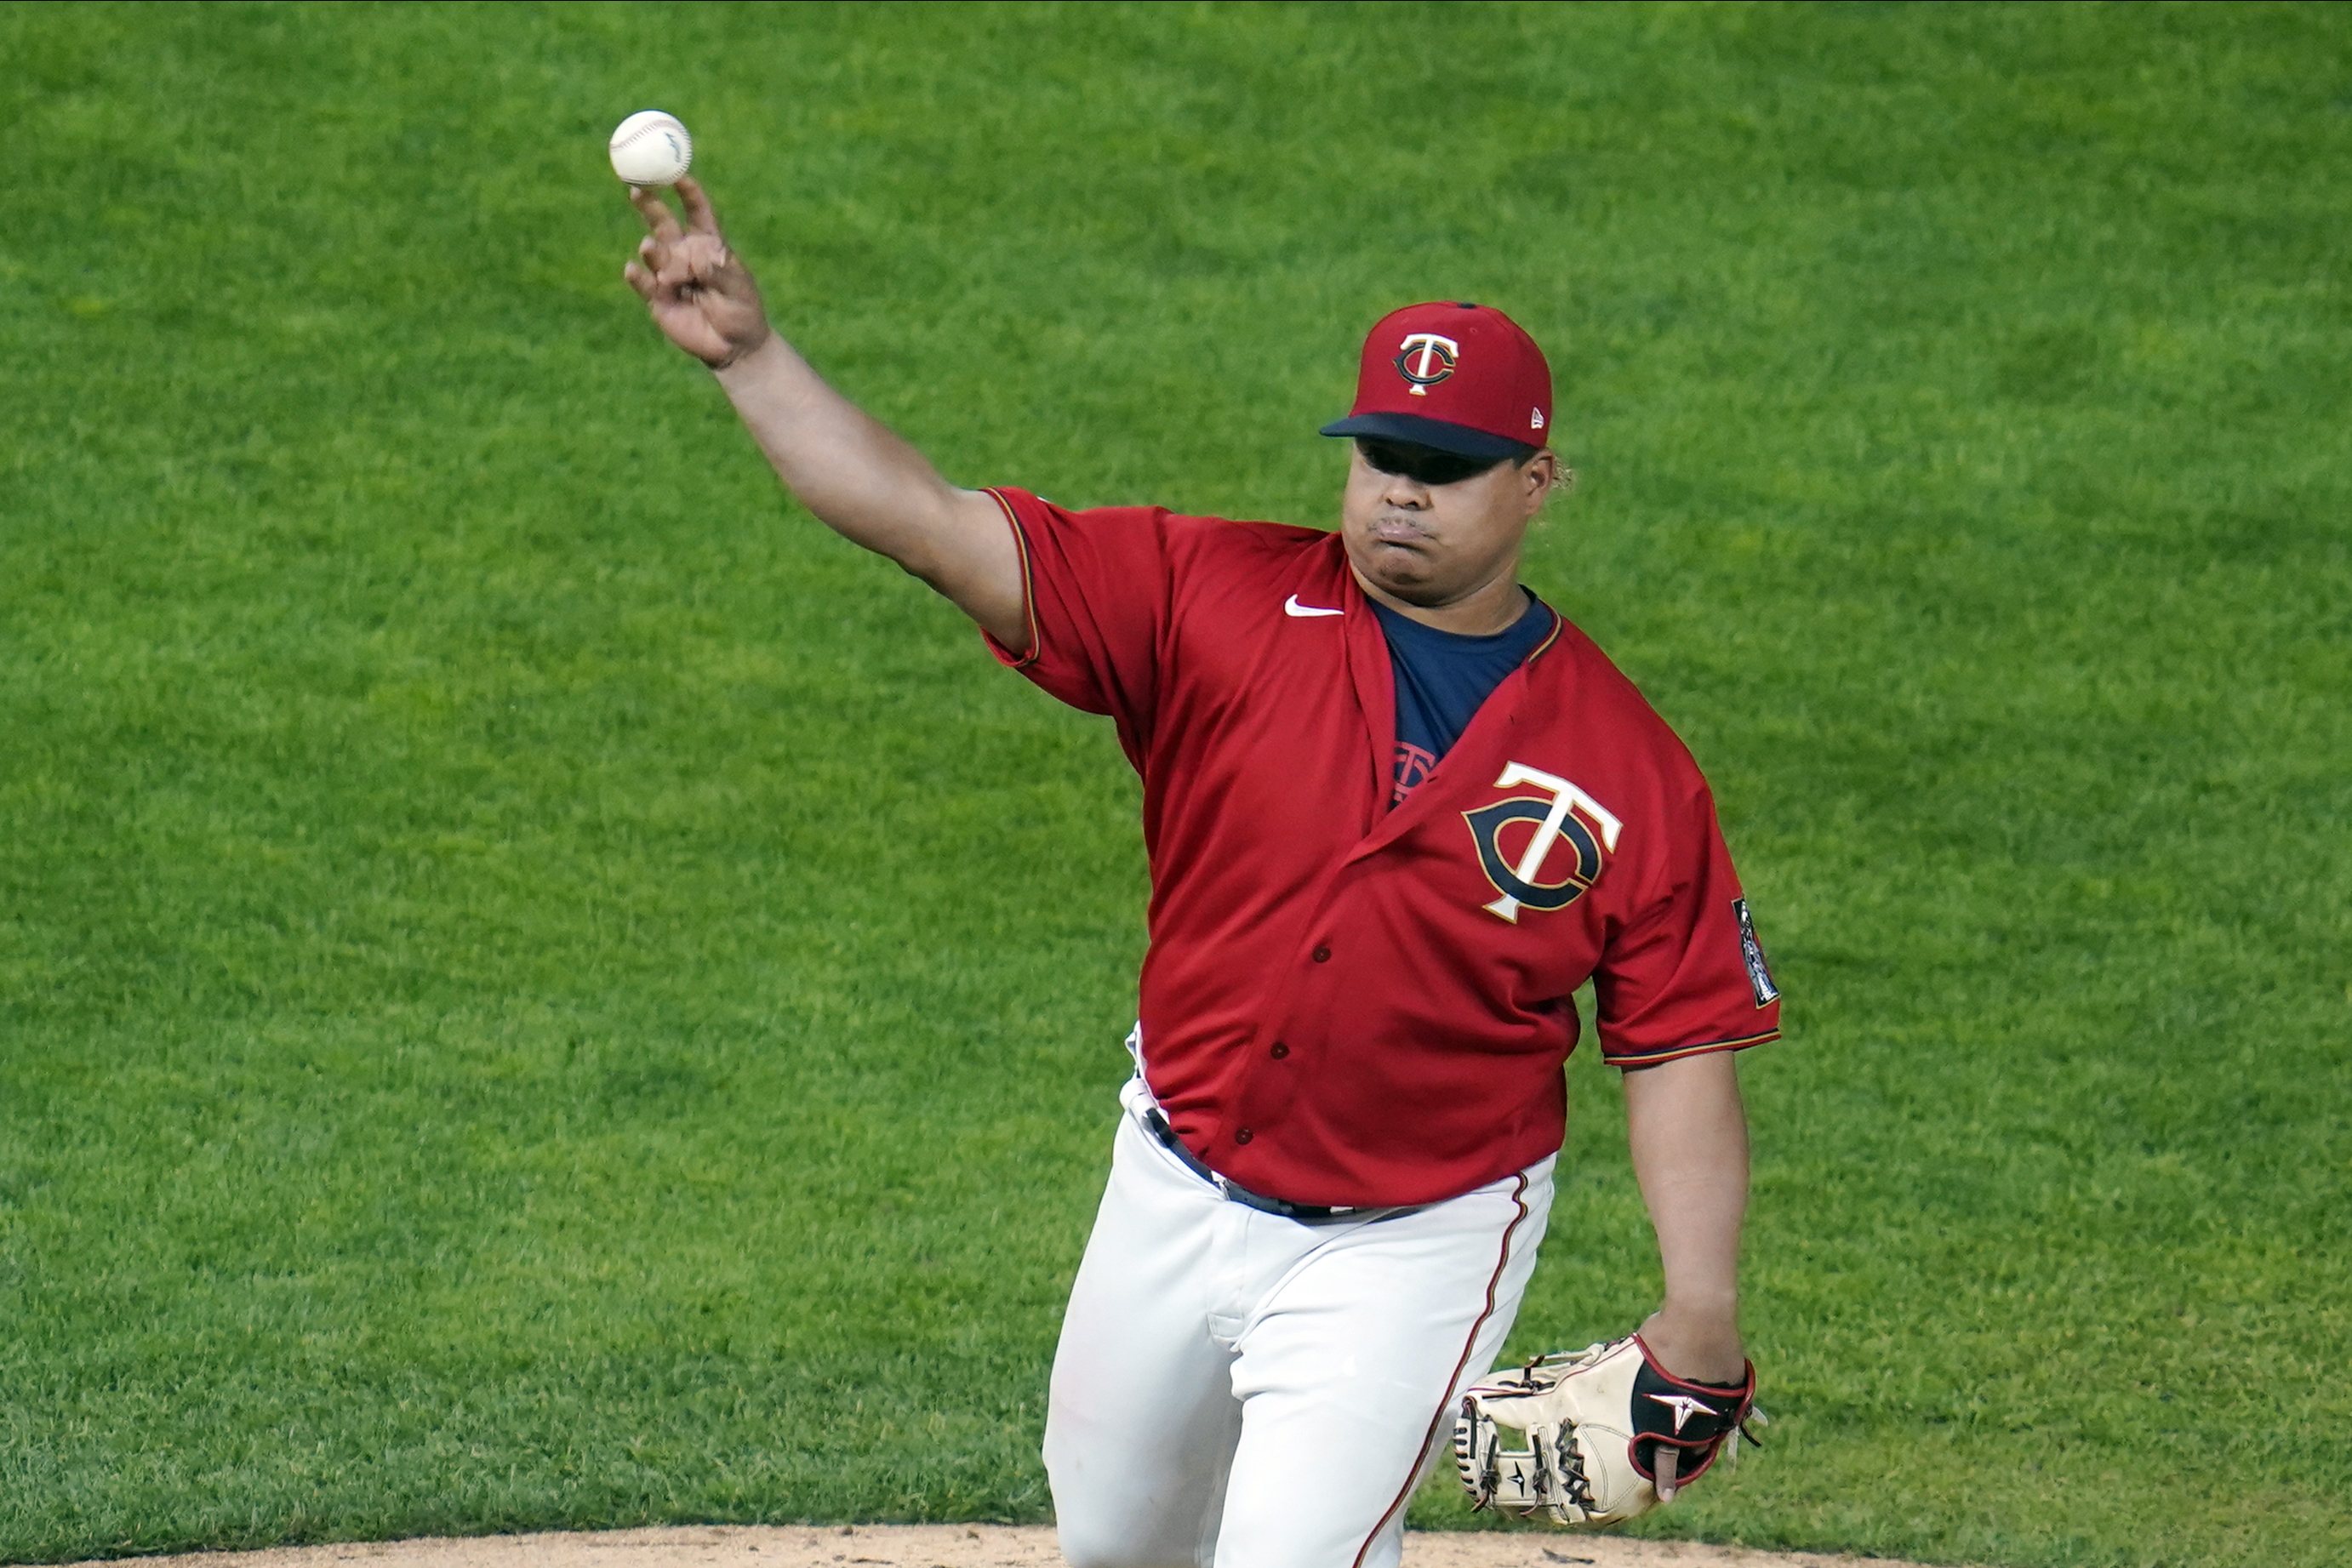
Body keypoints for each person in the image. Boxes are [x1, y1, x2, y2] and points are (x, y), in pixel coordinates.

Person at [624, 178, 1779, 1568]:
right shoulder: (1207, 596)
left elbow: (1680, 1048)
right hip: (1171, 1177)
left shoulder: (1630, 769)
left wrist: (1699, 1320)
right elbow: (925, 521)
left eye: (1448, 464)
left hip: (1412, 1242)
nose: (1403, 488)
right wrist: (753, 358)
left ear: (1537, 483)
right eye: (1380, 452)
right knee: (1117, 1552)